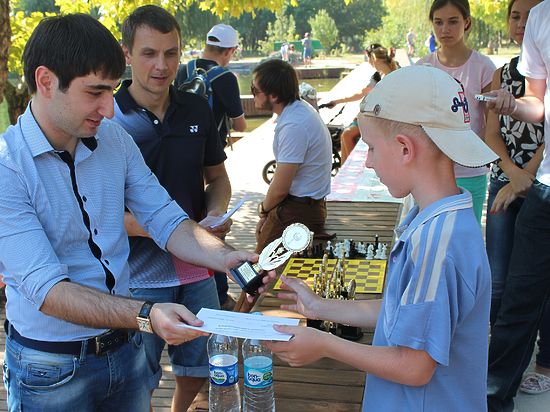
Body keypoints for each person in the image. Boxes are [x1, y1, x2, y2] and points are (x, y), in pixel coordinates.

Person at [0, 14, 274, 412]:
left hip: (125, 351)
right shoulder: (8, 167)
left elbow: (165, 217)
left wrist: (224, 257)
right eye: (95, 92)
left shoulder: (112, 138)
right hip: (52, 367)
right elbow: (48, 291)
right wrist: (146, 313)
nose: (109, 109)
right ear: (45, 82)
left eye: (111, 91)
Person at [268, 65, 497, 411]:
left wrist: (324, 343)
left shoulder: (437, 245)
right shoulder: (435, 219)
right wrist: (320, 306)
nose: (369, 162)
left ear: (405, 149)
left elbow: (415, 366)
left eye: (371, 148)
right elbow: (401, 312)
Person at [113, 6, 231, 411]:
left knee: (202, 362)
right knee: (136, 375)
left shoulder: (197, 108)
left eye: (171, 53)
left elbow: (217, 179)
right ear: (126, 53)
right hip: (137, 272)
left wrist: (214, 215)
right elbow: (94, 211)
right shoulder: (106, 117)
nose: (161, 66)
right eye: (149, 53)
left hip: (195, 266)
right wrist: (169, 230)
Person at [482, 1, 550, 410]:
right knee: (518, 298)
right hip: (546, 189)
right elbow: (538, 104)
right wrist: (512, 104)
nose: (520, 21)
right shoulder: (543, 16)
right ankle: (491, 398)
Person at [175, 23, 246, 310]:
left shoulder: (184, 69)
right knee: (213, 219)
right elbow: (240, 122)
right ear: (229, 51)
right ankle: (216, 291)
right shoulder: (226, 77)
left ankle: (200, 283)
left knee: (189, 214)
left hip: (182, 151)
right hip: (211, 154)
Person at [417, 0, 496, 224]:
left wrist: (476, 154)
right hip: (429, 172)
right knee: (430, 238)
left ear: (467, 23)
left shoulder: (483, 67)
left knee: (464, 240)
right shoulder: (423, 67)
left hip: (470, 171)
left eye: (453, 22)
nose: (445, 29)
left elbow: (492, 125)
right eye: (438, 22)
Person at [252, 59, 332, 253]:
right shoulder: (300, 110)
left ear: (274, 95)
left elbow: (280, 189)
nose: (252, 94)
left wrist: (263, 211)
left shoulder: (294, 126)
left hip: (299, 209)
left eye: (255, 90)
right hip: (304, 205)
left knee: (256, 270)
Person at [324, 44, 399, 165]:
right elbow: (363, 95)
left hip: (381, 119)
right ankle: (345, 170)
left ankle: (350, 169)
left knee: (347, 135)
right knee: (345, 135)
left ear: (377, 60)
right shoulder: (379, 76)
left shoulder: (391, 78)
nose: (371, 62)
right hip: (372, 116)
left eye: (371, 58)